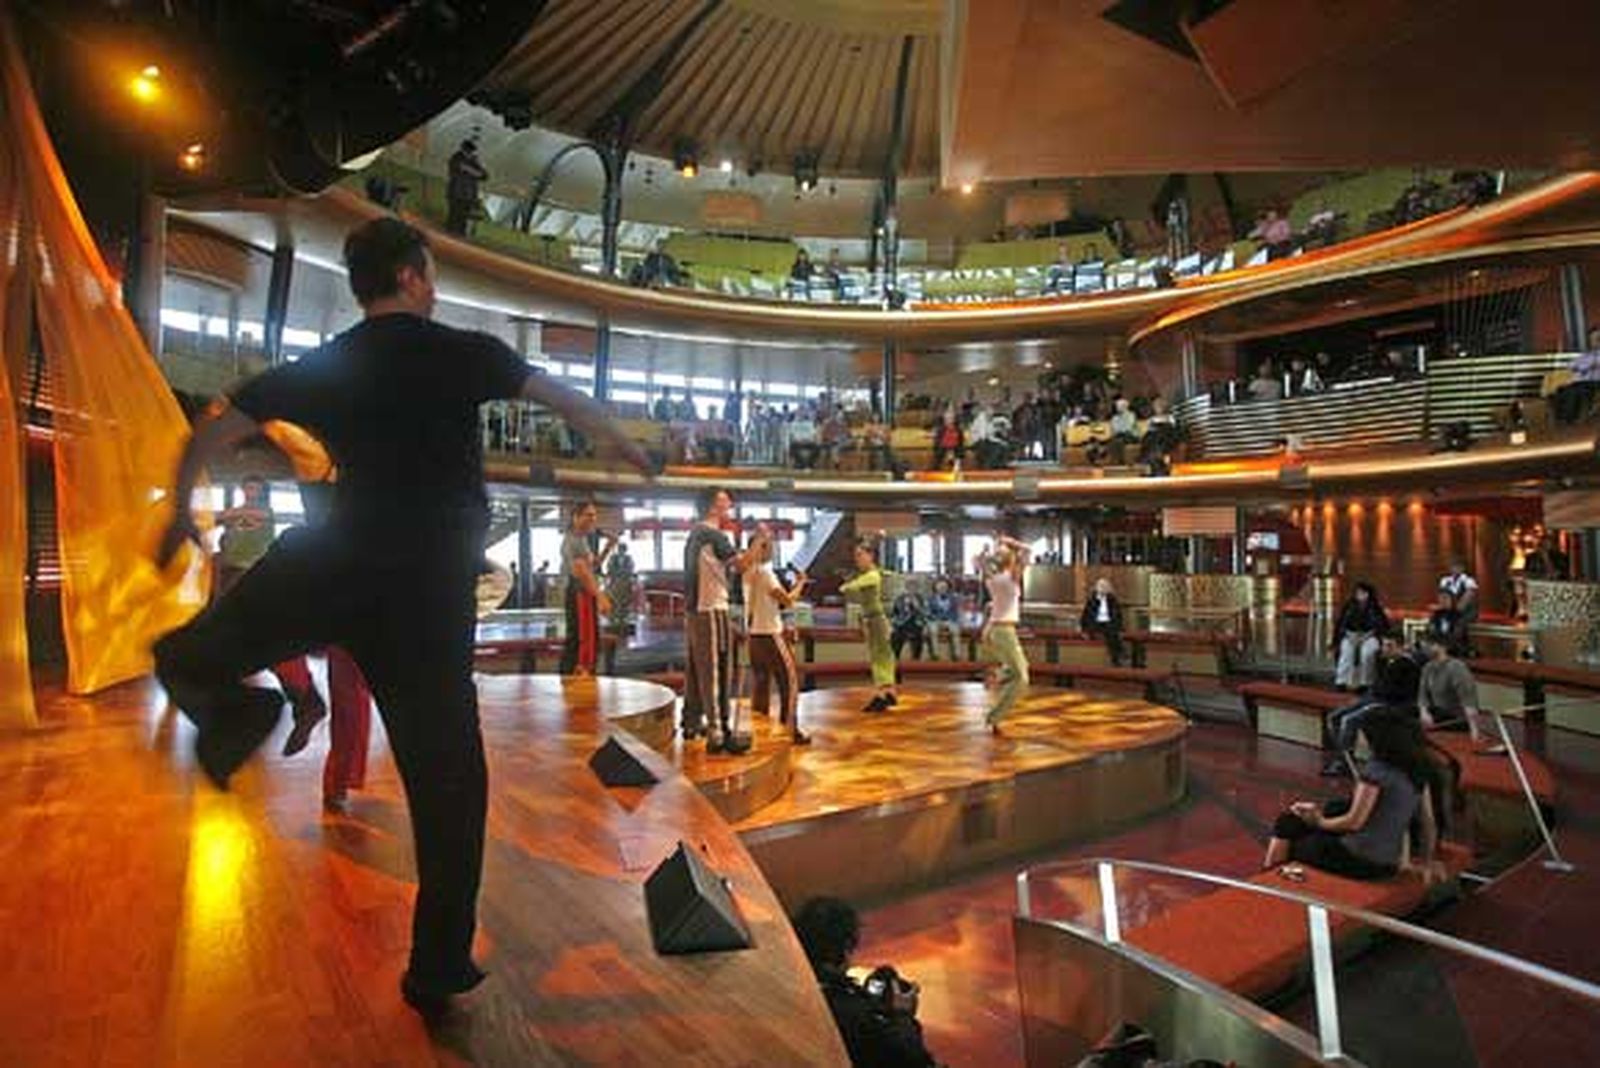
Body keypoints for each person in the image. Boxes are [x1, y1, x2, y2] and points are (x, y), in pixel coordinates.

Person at [151, 216, 649, 1016]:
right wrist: (624, 445)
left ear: (362, 285)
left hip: (335, 560)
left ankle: (239, 707)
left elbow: (217, 428)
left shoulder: (331, 362)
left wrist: (182, 512)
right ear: (415, 277)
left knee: (186, 654)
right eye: (430, 274)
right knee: (451, 787)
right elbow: (565, 398)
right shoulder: (464, 352)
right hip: (425, 593)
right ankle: (437, 966)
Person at [1265, 711, 1443, 882]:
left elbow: (1355, 821)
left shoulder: (1375, 773)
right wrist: (1427, 861)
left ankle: (1267, 885)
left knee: (1288, 829)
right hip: (1388, 862)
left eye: (1361, 735)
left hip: (1359, 861)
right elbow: (1429, 823)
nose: (1359, 739)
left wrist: (1317, 821)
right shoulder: (1416, 772)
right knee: (1297, 821)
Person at [791, 897, 940, 1068]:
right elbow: (910, 1058)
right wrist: (902, 1017)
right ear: (846, 947)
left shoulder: (797, 987)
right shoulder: (855, 1014)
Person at [683, 487, 753, 754]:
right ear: (713, 507)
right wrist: (759, 542)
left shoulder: (695, 534)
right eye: (725, 500)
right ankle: (718, 729)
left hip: (696, 608)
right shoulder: (713, 534)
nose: (730, 503)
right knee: (716, 668)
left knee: (696, 666)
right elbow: (741, 566)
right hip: (710, 607)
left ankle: (691, 721)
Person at [744, 529, 811, 745]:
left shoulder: (747, 571)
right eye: (769, 543)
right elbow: (788, 601)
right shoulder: (765, 572)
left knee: (761, 684)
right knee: (789, 682)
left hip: (754, 637)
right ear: (760, 547)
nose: (773, 547)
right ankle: (790, 729)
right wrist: (801, 583)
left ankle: (760, 728)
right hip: (771, 635)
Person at [1323, 634, 1421, 777]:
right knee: (1334, 717)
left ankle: (1344, 763)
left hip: (1387, 703)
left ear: (1401, 647)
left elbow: (1401, 694)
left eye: (1390, 646)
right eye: (1384, 645)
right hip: (1373, 698)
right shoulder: (1386, 662)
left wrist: (1375, 696)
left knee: (1348, 720)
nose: (1384, 649)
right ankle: (1343, 756)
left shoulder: (1409, 666)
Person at [979, 537, 1031, 734]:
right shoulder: (1011, 578)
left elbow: (982, 563)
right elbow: (1027, 549)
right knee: (1022, 677)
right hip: (1004, 630)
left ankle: (997, 677)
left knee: (1020, 669)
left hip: (996, 629)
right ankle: (995, 717)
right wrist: (1012, 542)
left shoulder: (992, 578)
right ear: (1010, 561)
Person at [840, 540, 896, 712]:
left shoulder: (871, 575)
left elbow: (852, 587)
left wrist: (846, 585)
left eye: (860, 555)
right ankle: (888, 692)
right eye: (856, 556)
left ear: (870, 556)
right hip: (873, 619)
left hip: (876, 620)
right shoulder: (872, 573)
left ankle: (881, 695)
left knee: (879, 657)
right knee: (883, 656)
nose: (857, 559)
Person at [1418, 632, 1498, 751]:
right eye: (1424, 644)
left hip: (1455, 720)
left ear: (1442, 647)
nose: (1424, 647)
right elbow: (1422, 696)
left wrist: (1475, 730)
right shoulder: (1427, 667)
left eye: (1430, 644)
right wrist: (1424, 712)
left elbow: (1469, 700)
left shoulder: (1457, 668)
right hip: (1437, 715)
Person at [560, 500, 613, 677]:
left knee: (589, 641)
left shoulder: (582, 540)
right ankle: (574, 682)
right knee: (582, 641)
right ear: (576, 517)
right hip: (579, 593)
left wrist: (608, 546)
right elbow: (581, 571)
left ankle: (583, 679)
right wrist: (600, 596)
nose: (593, 519)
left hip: (585, 592)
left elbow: (592, 566)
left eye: (594, 515)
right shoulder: (573, 540)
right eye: (588, 515)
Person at [1332, 581, 1390, 691]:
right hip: (1350, 635)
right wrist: (1350, 635)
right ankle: (1341, 681)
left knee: (1367, 653)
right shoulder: (1349, 606)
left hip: (1369, 636)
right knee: (1346, 652)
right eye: (1358, 592)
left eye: (1363, 593)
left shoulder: (1375, 608)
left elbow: (1381, 626)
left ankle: (1366, 682)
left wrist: (1366, 636)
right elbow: (1342, 624)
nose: (1360, 595)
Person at [1551, 326, 1600, 423]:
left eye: (1596, 338)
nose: (1594, 341)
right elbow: (1571, 366)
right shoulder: (1586, 355)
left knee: (1575, 390)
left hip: (1596, 381)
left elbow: (1593, 366)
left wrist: (1587, 367)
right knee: (1561, 389)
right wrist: (1578, 368)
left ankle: (1570, 417)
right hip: (1583, 381)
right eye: (1592, 339)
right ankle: (1560, 418)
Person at [445, 138, 488, 236]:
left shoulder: (474, 161)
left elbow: (485, 176)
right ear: (465, 149)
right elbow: (463, 169)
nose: (471, 153)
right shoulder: (456, 158)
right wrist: (475, 172)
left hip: (468, 194)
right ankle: (449, 236)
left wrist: (476, 168)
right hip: (456, 192)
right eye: (470, 151)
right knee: (454, 216)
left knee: (463, 218)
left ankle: (459, 237)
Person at [1435, 560, 1479, 652]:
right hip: (1450, 610)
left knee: (1458, 622)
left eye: (1457, 567)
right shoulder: (1445, 580)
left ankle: (1455, 647)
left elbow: (1468, 597)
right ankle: (1442, 644)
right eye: (1453, 567)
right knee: (1439, 620)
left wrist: (1456, 609)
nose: (1454, 569)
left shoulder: (1468, 580)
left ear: (1462, 569)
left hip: (1466, 611)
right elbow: (1442, 595)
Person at [1080, 577, 1125, 666]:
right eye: (1101, 586)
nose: (1103, 588)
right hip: (1096, 623)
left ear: (1108, 588)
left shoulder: (1112, 600)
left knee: (1112, 631)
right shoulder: (1092, 600)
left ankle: (1116, 657)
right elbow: (1085, 616)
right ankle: (1119, 654)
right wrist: (1083, 629)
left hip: (1109, 623)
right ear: (1096, 588)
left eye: (1105, 586)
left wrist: (1120, 627)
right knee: (1110, 631)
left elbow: (1118, 615)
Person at [926, 577, 962, 660]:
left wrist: (953, 620)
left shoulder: (953, 598)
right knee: (933, 630)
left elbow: (955, 612)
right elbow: (928, 612)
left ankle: (957, 655)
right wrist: (934, 618)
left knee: (955, 630)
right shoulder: (931, 599)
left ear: (947, 588)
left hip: (949, 620)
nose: (942, 589)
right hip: (935, 620)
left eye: (944, 587)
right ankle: (935, 655)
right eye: (940, 587)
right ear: (936, 587)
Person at [890, 590, 929, 661]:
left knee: (918, 637)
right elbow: (893, 614)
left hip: (916, 623)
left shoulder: (920, 599)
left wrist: (917, 607)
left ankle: (916, 659)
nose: (910, 589)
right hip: (901, 624)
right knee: (895, 636)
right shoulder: (899, 599)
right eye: (908, 585)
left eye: (912, 585)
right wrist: (894, 623)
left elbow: (926, 613)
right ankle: (895, 657)